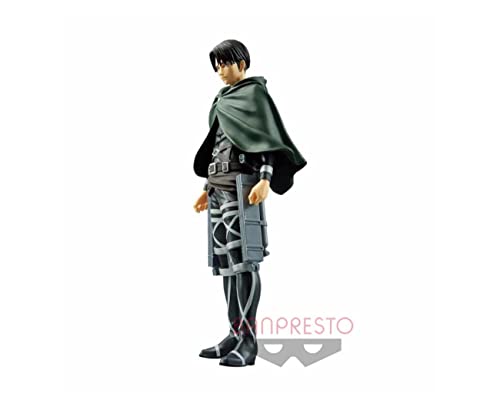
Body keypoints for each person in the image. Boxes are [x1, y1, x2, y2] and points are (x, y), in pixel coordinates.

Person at [193, 39, 307, 366]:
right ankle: (234, 333)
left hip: (243, 188)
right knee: (226, 265)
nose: (220, 71)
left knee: (245, 262)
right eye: (216, 65)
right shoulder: (221, 100)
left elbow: (267, 140)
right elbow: (220, 146)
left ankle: (248, 341)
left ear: (242, 64)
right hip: (219, 188)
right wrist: (206, 188)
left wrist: (265, 178)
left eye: (225, 64)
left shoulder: (255, 95)